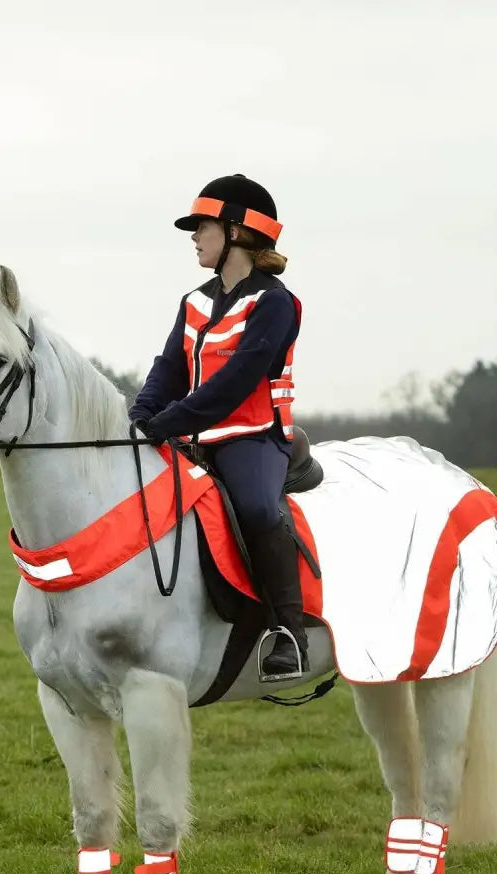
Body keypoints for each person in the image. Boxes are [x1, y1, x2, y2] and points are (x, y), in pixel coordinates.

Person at [129, 173, 308, 680]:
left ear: (235, 232)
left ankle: (288, 634)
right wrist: (142, 414)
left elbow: (237, 382)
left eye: (201, 226)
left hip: (254, 438)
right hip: (193, 437)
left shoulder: (275, 302)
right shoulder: (194, 301)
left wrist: (169, 421)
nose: (193, 236)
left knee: (255, 506)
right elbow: (168, 369)